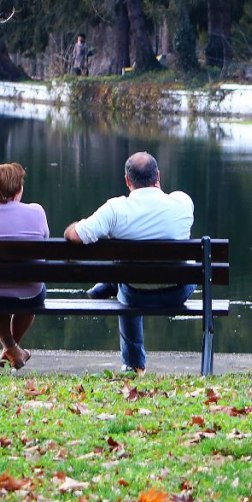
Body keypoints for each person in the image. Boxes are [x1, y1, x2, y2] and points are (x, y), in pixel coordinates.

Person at [63, 152, 194, 374]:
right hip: (177, 291)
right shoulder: (182, 202)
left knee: (125, 282)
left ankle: (134, 364)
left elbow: (76, 235)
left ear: (127, 180)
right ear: (158, 176)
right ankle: (109, 284)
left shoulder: (116, 209)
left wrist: (72, 226)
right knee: (136, 274)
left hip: (135, 292)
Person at [0, 162, 50, 369]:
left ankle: (10, 348)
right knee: (33, 288)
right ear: (18, 189)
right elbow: (45, 243)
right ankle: (13, 349)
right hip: (30, 293)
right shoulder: (37, 212)